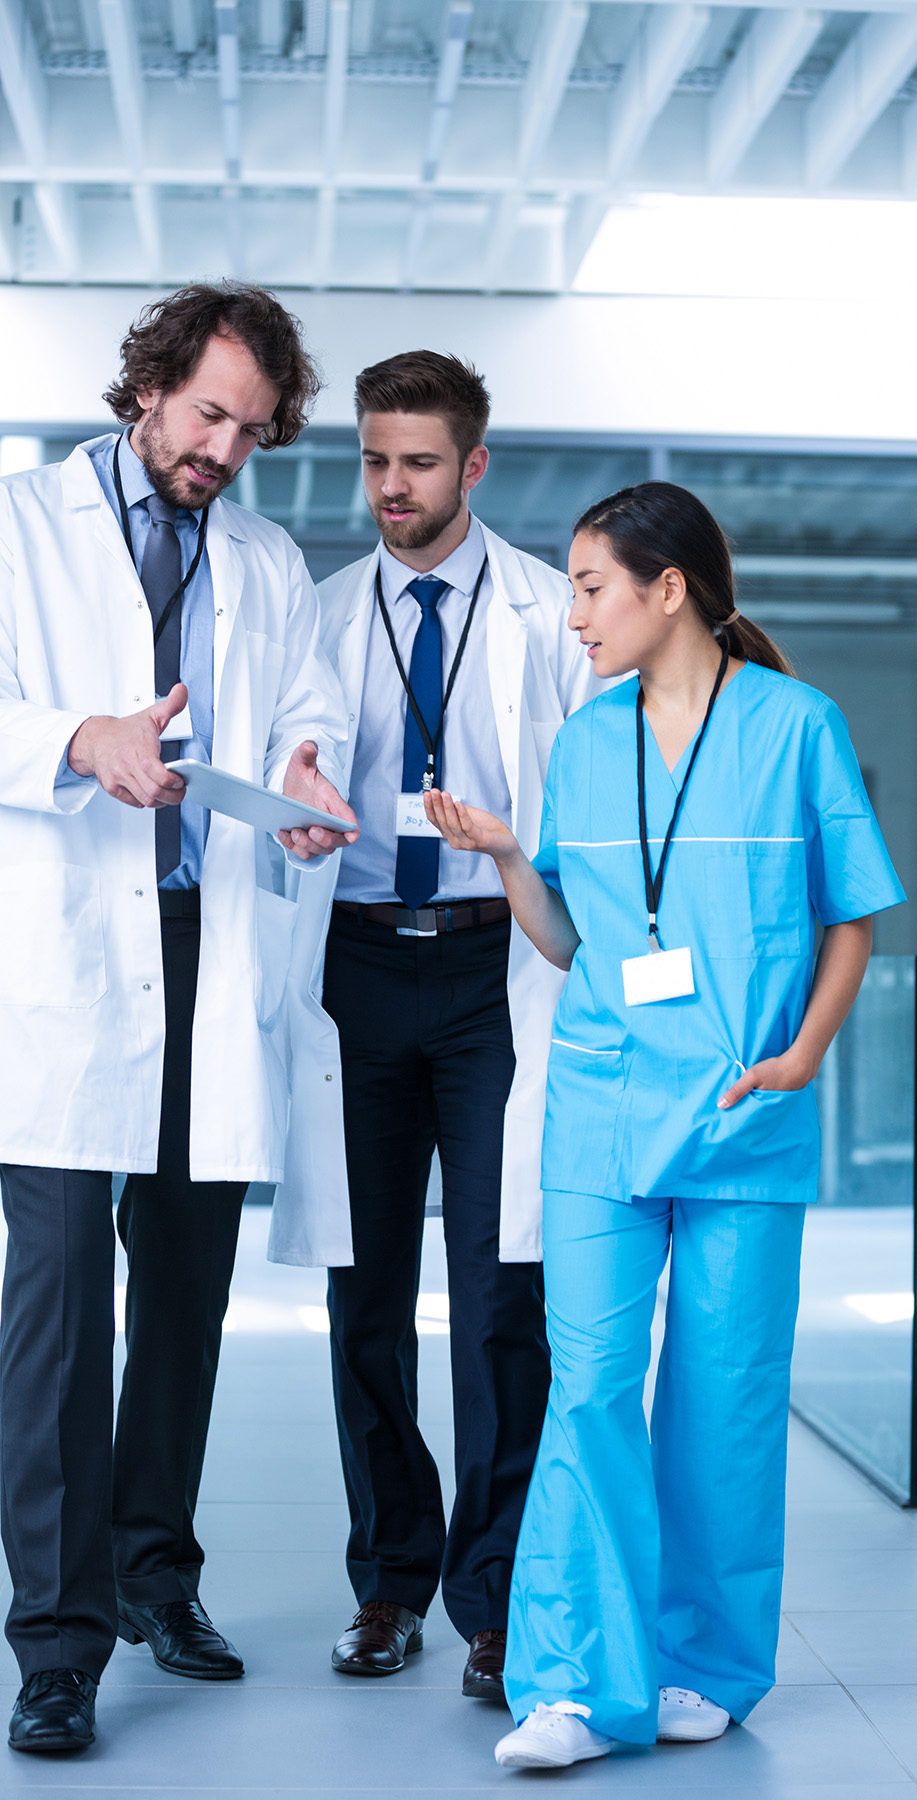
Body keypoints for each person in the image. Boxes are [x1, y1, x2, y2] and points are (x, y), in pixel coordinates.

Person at [422, 480, 906, 1769]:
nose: (572, 614)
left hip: (744, 1109)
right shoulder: (586, 742)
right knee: (585, 1390)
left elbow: (851, 911)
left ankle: (706, 1663)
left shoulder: (797, 725)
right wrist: (510, 860)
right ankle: (576, 1685)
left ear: (667, 587)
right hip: (602, 1102)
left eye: (590, 587)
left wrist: (806, 1051)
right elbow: (575, 940)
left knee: (723, 1397)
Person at [0, 282, 355, 1756]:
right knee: (61, 1311)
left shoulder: (265, 558)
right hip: (72, 967)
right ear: (144, 386)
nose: (222, 448)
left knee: (186, 1302)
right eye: (207, 414)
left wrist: (310, 767)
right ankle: (58, 1640)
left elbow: (300, 698)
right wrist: (79, 740)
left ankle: (158, 1575)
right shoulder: (20, 526)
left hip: (212, 947)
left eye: (252, 432)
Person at [269, 351, 595, 1702]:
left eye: (416, 462)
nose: (390, 487)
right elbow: (287, 758)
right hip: (354, 968)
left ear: (474, 466)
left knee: (501, 1293)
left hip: (488, 969)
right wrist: (292, 788)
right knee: (367, 1295)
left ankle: (496, 1598)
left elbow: (581, 807)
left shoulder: (540, 612)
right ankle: (391, 1581)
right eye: (372, 460)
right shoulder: (326, 612)